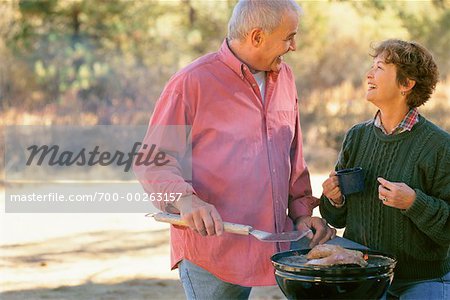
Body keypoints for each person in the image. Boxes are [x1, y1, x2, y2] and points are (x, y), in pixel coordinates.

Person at [134, 0, 336, 298]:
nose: (293, 46)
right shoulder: (192, 82)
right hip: (213, 250)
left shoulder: (286, 78)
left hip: (276, 240)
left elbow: (293, 154)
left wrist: (302, 212)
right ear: (257, 36)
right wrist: (186, 201)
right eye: (289, 36)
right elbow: (152, 161)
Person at [320, 39, 450, 299]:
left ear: (406, 83)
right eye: (371, 66)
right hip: (365, 272)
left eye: (379, 67)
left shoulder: (440, 146)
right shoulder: (356, 137)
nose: (369, 74)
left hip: (422, 277)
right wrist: (334, 199)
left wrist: (414, 202)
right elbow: (337, 219)